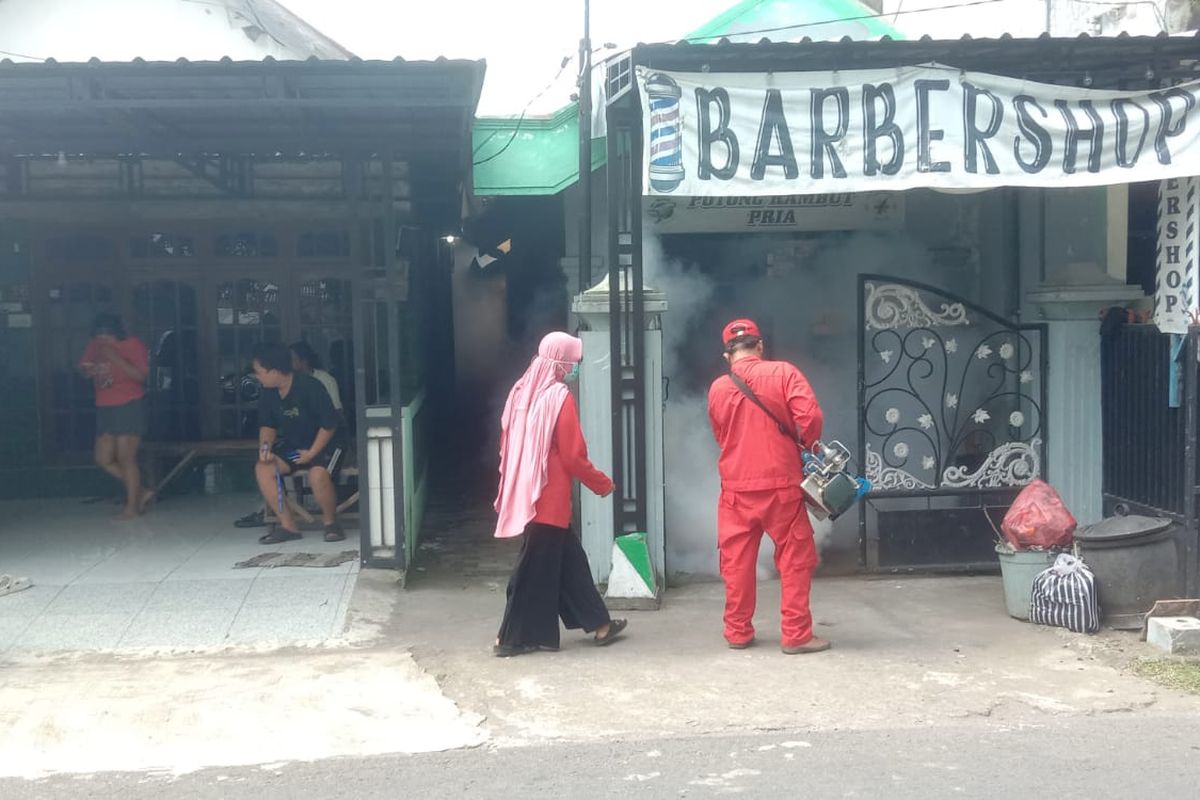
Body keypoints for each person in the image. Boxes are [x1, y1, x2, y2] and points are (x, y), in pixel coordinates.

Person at [492, 331, 628, 657]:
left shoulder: (521, 391)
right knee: (531, 569)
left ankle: (600, 625)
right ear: (562, 361)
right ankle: (511, 639)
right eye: (574, 362)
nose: (575, 367)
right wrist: (601, 483)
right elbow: (572, 456)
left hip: (526, 491)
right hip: (548, 498)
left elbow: (506, 443)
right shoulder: (558, 397)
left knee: (570, 563)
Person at [707, 319, 828, 655]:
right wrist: (808, 444)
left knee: (737, 562)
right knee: (794, 558)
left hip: (736, 488)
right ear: (759, 346)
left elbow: (720, 434)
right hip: (782, 485)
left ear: (727, 356)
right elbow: (811, 417)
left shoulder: (718, 388)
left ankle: (737, 632)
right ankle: (796, 634)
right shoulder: (785, 373)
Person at [234, 340, 343, 529]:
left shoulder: (311, 387)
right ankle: (288, 526)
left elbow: (330, 425)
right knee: (264, 468)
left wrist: (311, 454)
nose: (257, 377)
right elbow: (267, 425)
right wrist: (265, 449)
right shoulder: (268, 393)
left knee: (317, 474)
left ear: (274, 371)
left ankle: (331, 524)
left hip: (327, 447)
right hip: (297, 450)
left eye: (259, 372)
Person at [79, 313, 153, 521]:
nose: (103, 339)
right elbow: (83, 370)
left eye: (107, 334)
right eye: (99, 334)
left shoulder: (132, 345)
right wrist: (90, 370)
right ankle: (142, 491)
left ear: (117, 333)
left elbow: (141, 377)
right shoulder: (95, 346)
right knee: (103, 459)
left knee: (126, 458)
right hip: (104, 405)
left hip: (128, 404)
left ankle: (132, 509)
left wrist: (115, 358)